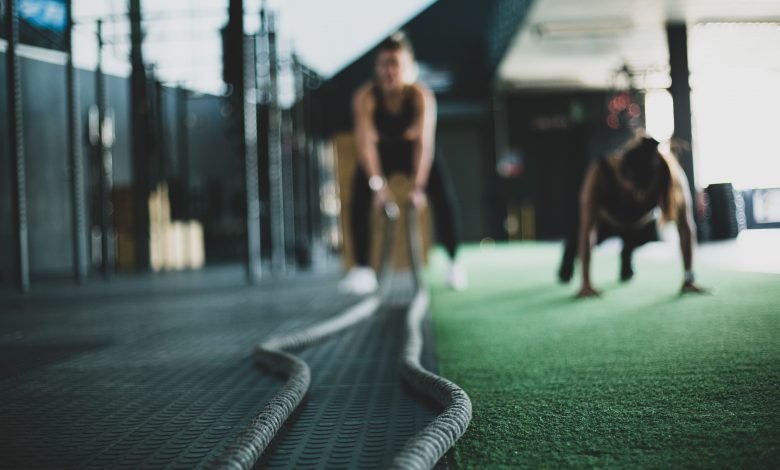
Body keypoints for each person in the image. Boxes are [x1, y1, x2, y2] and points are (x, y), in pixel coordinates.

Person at [338, 31, 467, 294]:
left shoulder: (421, 96)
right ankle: (363, 269)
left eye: (395, 64)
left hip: (412, 154)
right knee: (359, 195)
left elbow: (424, 145)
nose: (389, 71)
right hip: (381, 154)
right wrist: (378, 188)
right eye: (384, 64)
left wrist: (418, 189)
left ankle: (454, 263)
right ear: (377, 68)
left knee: (442, 194)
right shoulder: (366, 98)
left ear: (408, 67)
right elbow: (365, 146)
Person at [561, 135, 706, 297]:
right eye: (634, 190)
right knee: (572, 249)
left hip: (639, 226)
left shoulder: (670, 175)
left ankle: (626, 252)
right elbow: (588, 229)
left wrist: (689, 277)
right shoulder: (600, 171)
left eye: (643, 192)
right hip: (605, 222)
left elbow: (685, 226)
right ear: (623, 174)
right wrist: (586, 284)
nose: (638, 197)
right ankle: (567, 266)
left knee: (633, 257)